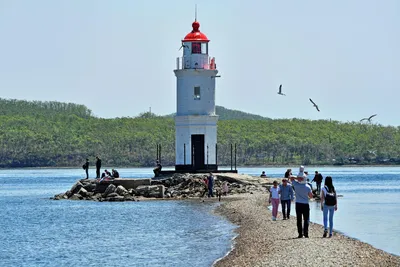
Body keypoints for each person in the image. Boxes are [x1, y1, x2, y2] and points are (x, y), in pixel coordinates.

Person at [289, 166, 313, 238]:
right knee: (306, 219)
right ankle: (306, 233)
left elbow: (290, 177)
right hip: (305, 204)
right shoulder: (308, 187)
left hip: (298, 204)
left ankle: (300, 234)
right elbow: (311, 196)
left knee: (299, 219)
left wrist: (297, 178)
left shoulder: (296, 185)